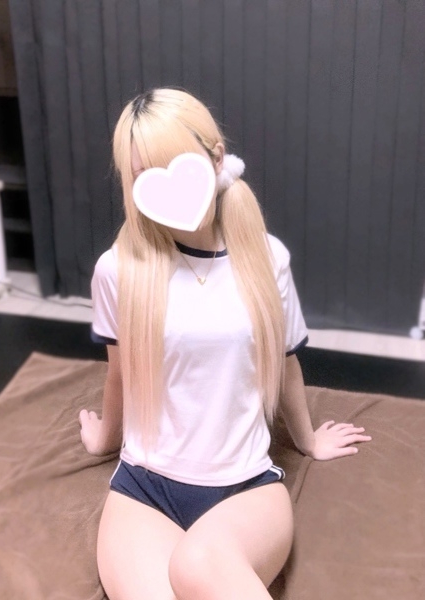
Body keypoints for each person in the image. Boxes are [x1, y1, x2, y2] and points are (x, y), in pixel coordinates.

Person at [79, 88, 371, 600]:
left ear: (217, 158)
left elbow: (285, 362)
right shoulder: (118, 270)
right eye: (144, 175)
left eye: (177, 166)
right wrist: (104, 437)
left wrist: (306, 440)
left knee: (200, 566)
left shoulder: (267, 258)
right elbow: (120, 373)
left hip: (245, 486)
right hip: (145, 489)